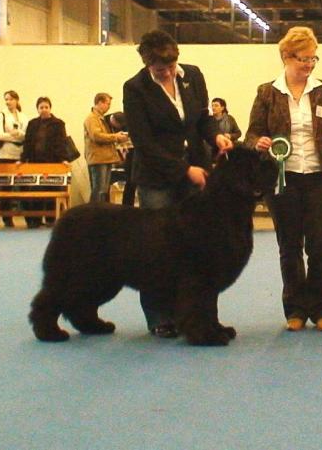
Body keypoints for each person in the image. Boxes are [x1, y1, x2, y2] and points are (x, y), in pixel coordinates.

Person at [245, 26, 322, 332]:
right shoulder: (267, 93)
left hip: (319, 177)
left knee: (321, 245)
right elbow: (252, 133)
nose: (309, 65)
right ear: (286, 57)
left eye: (313, 59)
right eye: (303, 59)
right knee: (289, 246)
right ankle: (295, 309)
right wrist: (259, 143)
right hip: (283, 179)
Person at [123, 29, 233, 338]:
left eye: (171, 67)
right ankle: (160, 317)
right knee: (158, 251)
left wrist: (216, 135)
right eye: (160, 70)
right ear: (147, 64)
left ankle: (197, 316)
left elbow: (201, 119)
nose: (168, 73)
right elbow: (144, 143)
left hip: (196, 174)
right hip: (157, 180)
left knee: (198, 252)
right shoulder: (135, 88)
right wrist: (185, 170)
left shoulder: (193, 76)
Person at [21, 97, 69, 228]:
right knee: (35, 189)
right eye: (41, 107)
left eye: (46, 107)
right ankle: (35, 219)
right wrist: (23, 159)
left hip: (52, 162)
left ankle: (51, 219)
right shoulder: (32, 124)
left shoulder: (58, 123)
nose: (44, 110)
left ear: (50, 108)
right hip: (35, 162)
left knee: (52, 188)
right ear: (37, 109)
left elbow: (62, 142)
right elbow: (28, 143)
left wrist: (63, 159)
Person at [0, 90, 29, 227]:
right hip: (5, 155)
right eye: (6, 99)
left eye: (11, 99)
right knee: (5, 187)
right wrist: (15, 136)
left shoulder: (23, 116)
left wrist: (17, 133)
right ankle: (7, 218)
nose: (8, 102)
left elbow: (26, 135)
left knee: (23, 186)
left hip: (19, 154)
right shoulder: (0, 115)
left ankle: (29, 218)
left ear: (17, 100)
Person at [83, 93, 129, 203]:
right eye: (107, 104)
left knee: (103, 191)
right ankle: (93, 215)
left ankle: (100, 214)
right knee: (98, 190)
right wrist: (116, 137)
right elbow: (96, 136)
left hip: (105, 158)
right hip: (98, 159)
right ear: (99, 103)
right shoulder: (92, 119)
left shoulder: (100, 118)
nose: (109, 107)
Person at [106, 111, 136, 206]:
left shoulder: (126, 123)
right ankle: (106, 205)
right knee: (103, 187)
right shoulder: (104, 122)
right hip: (107, 157)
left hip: (128, 158)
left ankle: (127, 205)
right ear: (114, 121)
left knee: (131, 183)